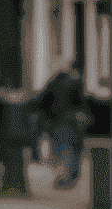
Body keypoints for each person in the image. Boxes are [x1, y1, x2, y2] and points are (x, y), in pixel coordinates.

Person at [38, 59, 88, 188]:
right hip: (69, 121)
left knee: (62, 150)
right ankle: (68, 177)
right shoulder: (76, 82)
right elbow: (80, 103)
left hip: (57, 121)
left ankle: (64, 177)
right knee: (70, 150)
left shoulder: (57, 80)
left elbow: (44, 99)